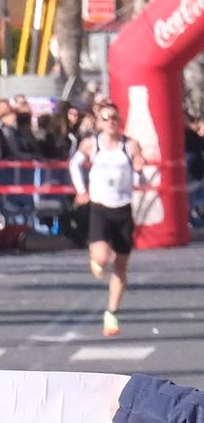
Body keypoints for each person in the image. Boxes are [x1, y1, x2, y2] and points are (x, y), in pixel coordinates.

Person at [71, 103, 147, 338]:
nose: (111, 122)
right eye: (106, 118)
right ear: (99, 122)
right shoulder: (91, 144)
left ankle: (112, 312)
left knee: (121, 265)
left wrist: (139, 171)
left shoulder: (130, 145)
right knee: (103, 257)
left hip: (122, 208)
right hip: (100, 207)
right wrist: (81, 189)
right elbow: (74, 164)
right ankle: (97, 259)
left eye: (115, 117)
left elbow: (139, 178)